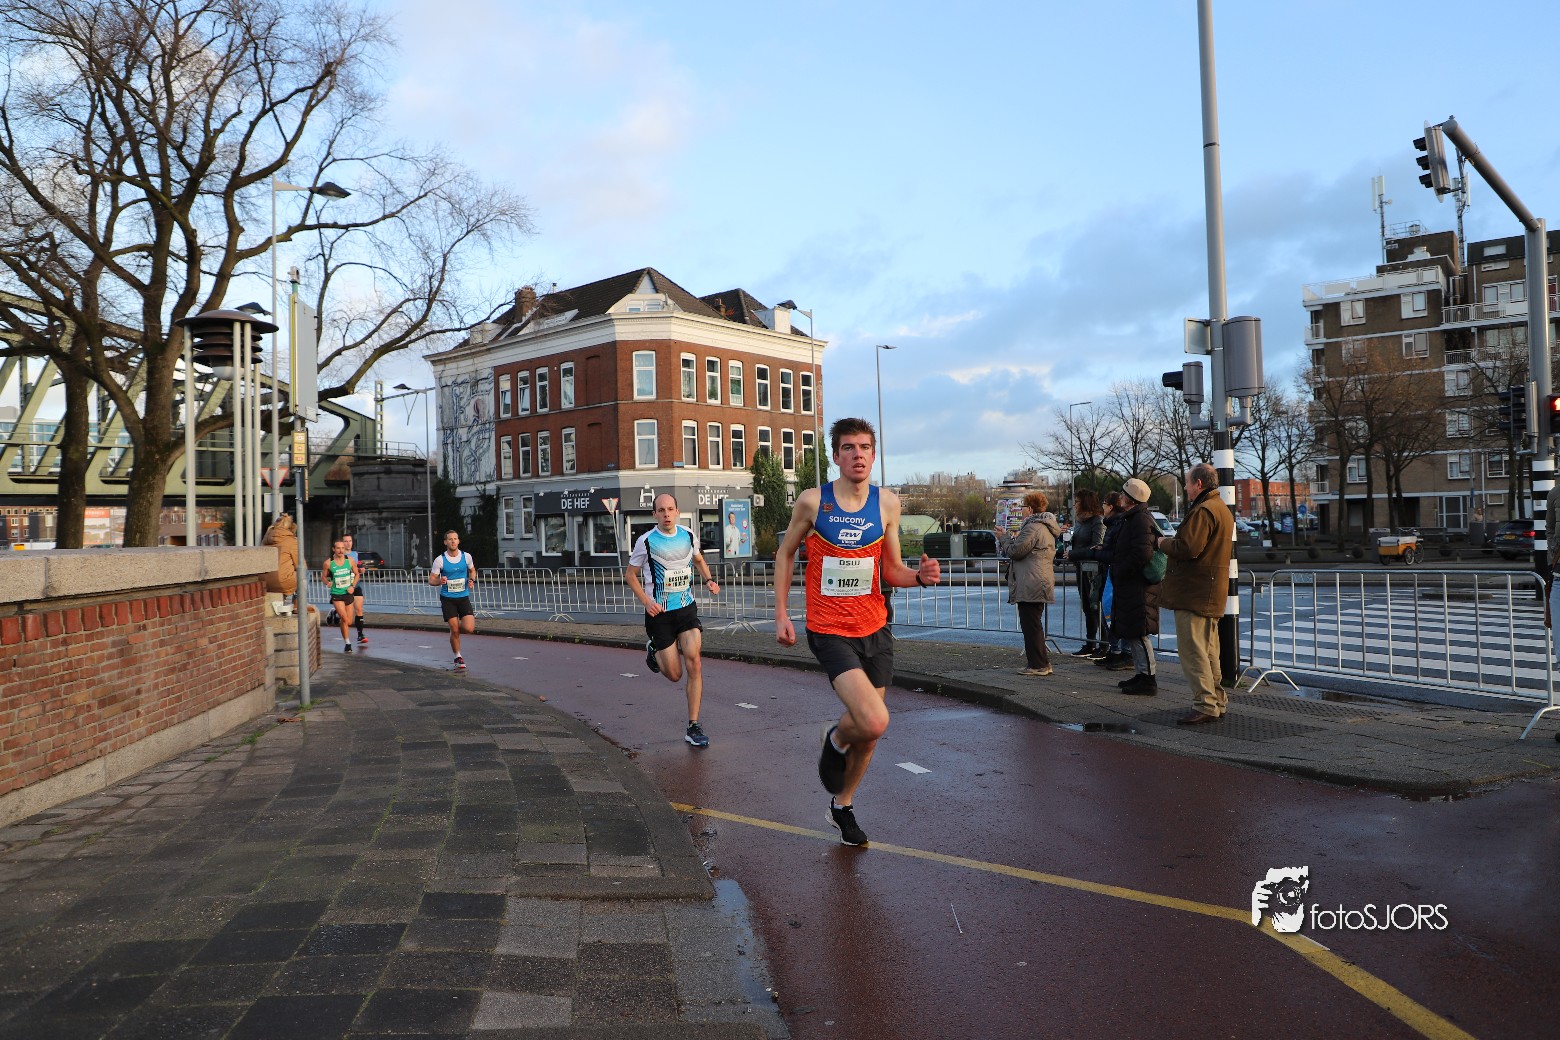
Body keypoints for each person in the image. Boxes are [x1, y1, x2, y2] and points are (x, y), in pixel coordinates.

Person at [774, 417, 942, 847]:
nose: (858, 454)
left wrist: (919, 577)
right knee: (874, 718)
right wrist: (781, 613)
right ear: (836, 456)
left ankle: (842, 805)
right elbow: (785, 553)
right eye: (848, 447)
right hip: (830, 629)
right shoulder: (814, 502)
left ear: (873, 454)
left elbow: (891, 570)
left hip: (875, 627)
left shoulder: (887, 504)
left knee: (870, 732)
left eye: (865, 447)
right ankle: (835, 738)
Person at [626, 494, 721, 748]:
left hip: (686, 609)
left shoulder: (688, 535)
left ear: (677, 511)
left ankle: (693, 725)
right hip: (660, 615)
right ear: (654, 514)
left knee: (695, 662)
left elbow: (698, 559)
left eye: (670, 509)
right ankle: (653, 650)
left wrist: (709, 579)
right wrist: (646, 601)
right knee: (675, 674)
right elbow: (631, 575)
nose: (666, 514)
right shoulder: (646, 541)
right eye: (661, 510)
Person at [1156, 463, 1235, 724]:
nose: (1186, 488)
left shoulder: (1204, 510)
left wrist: (1162, 542)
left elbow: (1188, 548)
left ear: (1198, 484)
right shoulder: (1220, 508)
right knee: (1209, 651)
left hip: (1194, 593)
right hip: (1209, 591)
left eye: (1188, 483)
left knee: (1193, 652)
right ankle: (1216, 700)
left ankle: (1205, 704)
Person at [995, 491, 1060, 676]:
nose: (1021, 510)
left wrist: (1003, 538)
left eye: (1023, 507)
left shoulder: (1033, 527)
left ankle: (1039, 664)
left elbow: (1016, 551)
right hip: (1037, 580)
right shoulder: (1043, 526)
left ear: (1030, 509)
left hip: (1032, 581)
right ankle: (1040, 663)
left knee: (1031, 625)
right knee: (1033, 623)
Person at [1111, 478, 1161, 695]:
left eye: (1123, 494)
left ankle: (1148, 678)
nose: (1120, 497)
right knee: (1133, 631)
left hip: (1137, 585)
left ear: (1130, 499)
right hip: (1132, 584)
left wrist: (1121, 570)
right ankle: (1142, 674)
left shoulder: (1139, 520)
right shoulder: (1134, 518)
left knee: (1139, 632)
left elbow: (1142, 553)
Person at [429, 530, 478, 672]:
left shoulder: (466, 556)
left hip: (463, 597)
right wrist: (440, 581)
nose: (453, 541)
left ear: (458, 541)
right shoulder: (440, 560)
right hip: (448, 599)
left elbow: (472, 570)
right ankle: (458, 656)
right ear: (445, 542)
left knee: (469, 628)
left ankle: (454, 632)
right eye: (450, 539)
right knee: (455, 629)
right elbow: (431, 580)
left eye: (455, 539)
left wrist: (472, 580)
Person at [1067, 490, 1106, 657]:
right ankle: (1090, 643)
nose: (1074, 505)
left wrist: (1073, 554)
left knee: (1096, 606)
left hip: (1094, 571)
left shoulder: (1097, 521)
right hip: (1081, 568)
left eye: (1077, 501)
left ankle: (1104, 644)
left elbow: (1096, 545)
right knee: (1087, 607)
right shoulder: (1080, 522)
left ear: (1085, 503)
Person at [321, 540, 360, 654]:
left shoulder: (350, 560)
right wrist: (327, 582)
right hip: (336, 593)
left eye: (342, 548)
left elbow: (357, 574)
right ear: (333, 549)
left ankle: (334, 612)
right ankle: (347, 643)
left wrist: (353, 586)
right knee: (343, 618)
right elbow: (323, 577)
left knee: (349, 622)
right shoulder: (328, 563)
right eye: (338, 548)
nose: (341, 550)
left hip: (348, 593)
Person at [262, 514, 298, 600]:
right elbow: (299, 564)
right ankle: (298, 602)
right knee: (304, 573)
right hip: (283, 581)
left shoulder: (265, 540)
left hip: (264, 581)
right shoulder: (291, 541)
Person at [341, 533, 368, 646]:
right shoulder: (340, 555)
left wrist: (361, 569)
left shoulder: (355, 554)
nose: (348, 543)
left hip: (356, 585)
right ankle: (334, 613)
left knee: (359, 609)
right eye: (346, 541)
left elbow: (358, 566)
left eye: (350, 541)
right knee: (348, 619)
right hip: (344, 587)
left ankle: (360, 635)